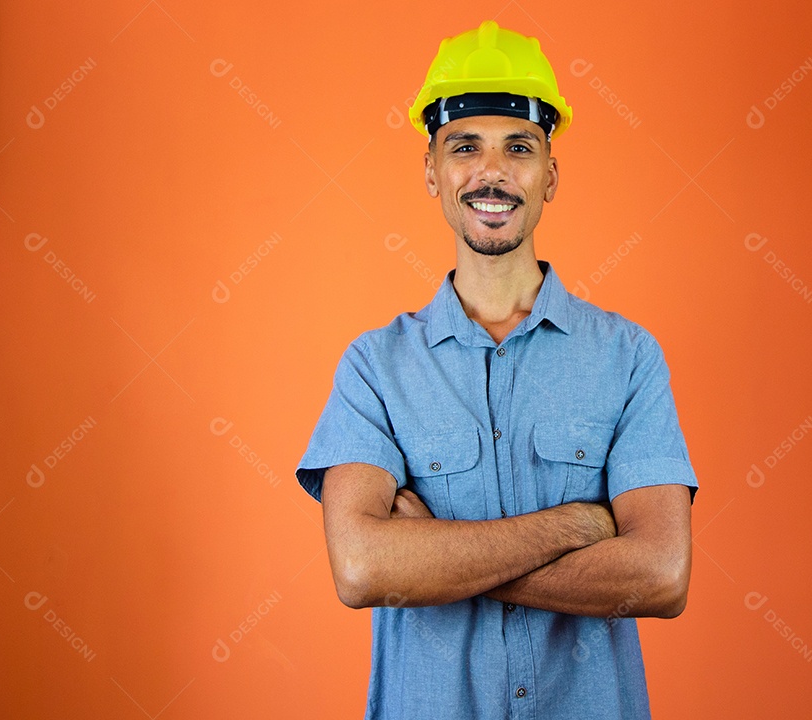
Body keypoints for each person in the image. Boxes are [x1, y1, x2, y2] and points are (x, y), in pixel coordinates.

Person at [296, 20, 698, 720]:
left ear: (550, 173)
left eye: (518, 147)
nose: (492, 173)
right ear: (432, 171)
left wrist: (435, 561)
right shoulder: (374, 367)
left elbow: (661, 575)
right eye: (464, 148)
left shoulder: (629, 357)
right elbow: (362, 568)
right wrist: (576, 525)